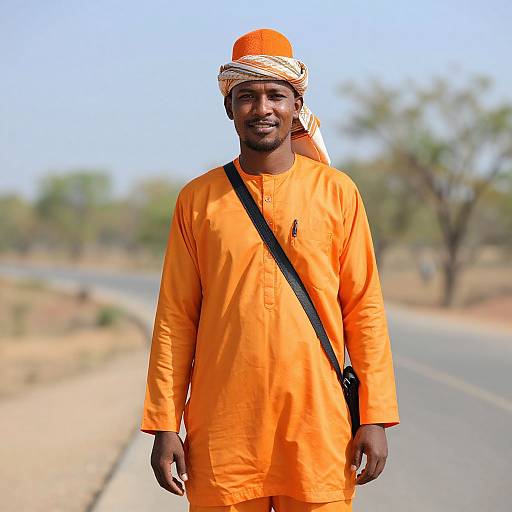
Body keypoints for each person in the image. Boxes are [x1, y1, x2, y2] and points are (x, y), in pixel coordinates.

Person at [140, 28, 400, 512]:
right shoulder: (198, 200)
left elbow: (364, 309)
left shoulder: (337, 192)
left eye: (276, 95)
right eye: (247, 97)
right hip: (223, 432)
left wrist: (375, 416)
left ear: (296, 103)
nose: (262, 109)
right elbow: (176, 318)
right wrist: (162, 424)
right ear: (229, 108)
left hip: (318, 428)